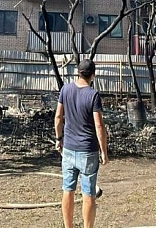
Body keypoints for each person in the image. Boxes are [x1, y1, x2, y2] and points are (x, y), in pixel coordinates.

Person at [55, 59, 109, 228]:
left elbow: (58, 117)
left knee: (68, 190)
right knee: (88, 193)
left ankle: (68, 226)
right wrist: (104, 152)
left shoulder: (65, 89)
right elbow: (99, 125)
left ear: (77, 72)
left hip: (69, 149)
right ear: (92, 74)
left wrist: (59, 139)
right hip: (88, 151)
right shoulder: (93, 95)